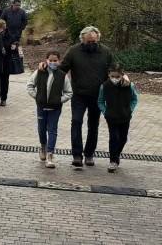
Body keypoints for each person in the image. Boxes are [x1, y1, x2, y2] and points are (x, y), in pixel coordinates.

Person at [42, 26, 116, 168]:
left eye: (94, 41)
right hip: (79, 95)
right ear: (82, 39)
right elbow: (62, 69)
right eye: (88, 41)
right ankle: (77, 155)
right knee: (76, 122)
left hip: (98, 95)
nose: (91, 44)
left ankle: (89, 154)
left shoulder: (106, 52)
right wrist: (46, 69)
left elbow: (113, 70)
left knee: (93, 126)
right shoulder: (74, 51)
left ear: (98, 39)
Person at [26, 51, 73, 168]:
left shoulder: (62, 75)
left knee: (52, 130)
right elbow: (30, 85)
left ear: (59, 61)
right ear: (46, 60)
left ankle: (50, 154)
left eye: (55, 60)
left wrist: (59, 100)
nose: (53, 62)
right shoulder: (39, 72)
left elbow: (69, 92)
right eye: (50, 60)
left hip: (55, 108)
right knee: (42, 129)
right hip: (41, 107)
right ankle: (43, 146)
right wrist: (37, 97)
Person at [99, 63, 138, 173]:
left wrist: (130, 109)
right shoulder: (104, 86)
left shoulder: (129, 86)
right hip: (111, 117)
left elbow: (134, 99)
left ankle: (116, 155)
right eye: (112, 76)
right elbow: (100, 101)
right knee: (114, 137)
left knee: (123, 138)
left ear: (122, 75)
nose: (114, 79)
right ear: (108, 75)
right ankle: (113, 160)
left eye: (117, 77)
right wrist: (105, 112)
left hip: (125, 116)